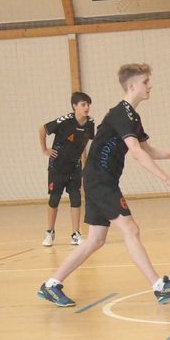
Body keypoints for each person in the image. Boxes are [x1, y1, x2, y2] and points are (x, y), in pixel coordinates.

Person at [36, 64, 170, 308]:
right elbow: (137, 153)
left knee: (95, 240)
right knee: (131, 229)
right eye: (145, 82)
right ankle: (159, 287)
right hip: (100, 180)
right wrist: (167, 178)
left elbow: (147, 149)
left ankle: (51, 285)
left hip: (100, 179)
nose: (149, 86)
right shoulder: (120, 114)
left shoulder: (132, 117)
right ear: (132, 86)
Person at [39, 92, 95, 246]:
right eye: (83, 104)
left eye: (88, 104)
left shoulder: (90, 123)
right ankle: (49, 232)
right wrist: (44, 150)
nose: (87, 107)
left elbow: (93, 141)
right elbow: (42, 129)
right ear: (74, 106)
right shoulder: (64, 121)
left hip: (75, 167)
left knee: (76, 198)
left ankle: (75, 234)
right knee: (54, 199)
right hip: (57, 167)